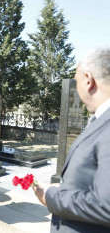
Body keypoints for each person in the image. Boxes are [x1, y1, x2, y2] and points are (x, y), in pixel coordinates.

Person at [33, 47, 110, 232]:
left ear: (88, 80)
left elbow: (105, 205)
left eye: (76, 83)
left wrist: (52, 195)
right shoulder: (100, 120)